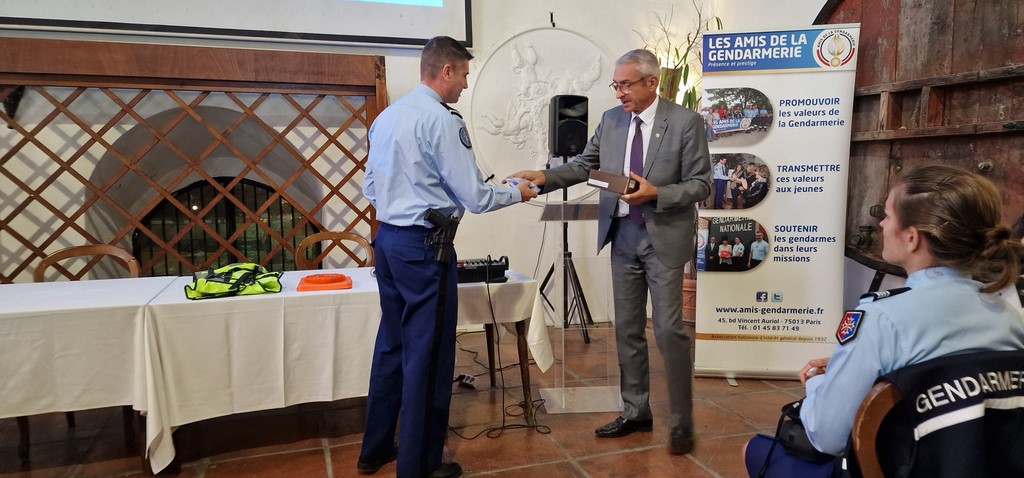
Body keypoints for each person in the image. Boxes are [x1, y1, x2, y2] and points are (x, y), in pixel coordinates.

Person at [743, 164, 1024, 477]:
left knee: (754, 448)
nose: (881, 224)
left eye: (887, 215)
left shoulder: (882, 319)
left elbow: (827, 436)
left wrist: (818, 382)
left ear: (912, 238)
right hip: (980, 465)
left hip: (901, 467)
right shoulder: (1009, 317)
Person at [510, 49, 711, 455]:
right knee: (627, 329)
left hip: (663, 239)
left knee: (668, 331)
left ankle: (681, 421)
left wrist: (657, 193)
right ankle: (636, 411)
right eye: (615, 85)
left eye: (625, 84)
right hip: (622, 237)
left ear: (651, 82)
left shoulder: (685, 122)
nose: (618, 92)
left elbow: (701, 184)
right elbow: (584, 166)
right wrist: (543, 177)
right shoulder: (612, 120)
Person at [359, 35, 537, 478]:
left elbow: (370, 188)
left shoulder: (386, 117)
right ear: (446, 71)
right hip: (425, 249)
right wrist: (517, 192)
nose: (465, 84)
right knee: (430, 355)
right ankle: (419, 466)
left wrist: (405, 204)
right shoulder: (442, 120)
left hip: (388, 243)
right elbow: (475, 197)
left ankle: (374, 450)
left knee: (392, 345)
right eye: (464, 75)